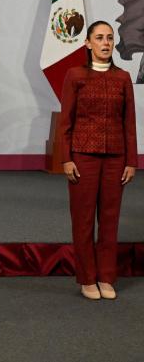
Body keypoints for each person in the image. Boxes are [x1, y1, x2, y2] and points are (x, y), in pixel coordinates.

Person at [59, 20, 137, 300]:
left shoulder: (123, 78)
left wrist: (132, 161)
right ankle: (87, 278)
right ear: (88, 43)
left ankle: (106, 276)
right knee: (82, 221)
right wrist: (66, 159)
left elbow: (129, 123)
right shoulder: (75, 75)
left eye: (109, 38)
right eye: (100, 38)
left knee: (110, 220)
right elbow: (65, 121)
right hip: (82, 158)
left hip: (116, 159)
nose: (106, 43)